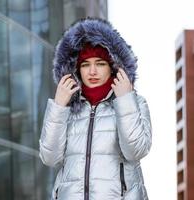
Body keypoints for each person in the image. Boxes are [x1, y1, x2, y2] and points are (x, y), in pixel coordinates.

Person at [39, 17, 152, 200]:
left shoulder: (135, 103)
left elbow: (135, 151)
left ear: (113, 66)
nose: (92, 72)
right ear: (76, 69)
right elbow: (49, 158)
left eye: (100, 63)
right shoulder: (66, 109)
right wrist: (59, 106)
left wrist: (124, 100)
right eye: (85, 64)